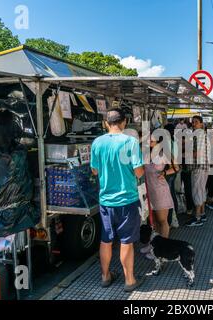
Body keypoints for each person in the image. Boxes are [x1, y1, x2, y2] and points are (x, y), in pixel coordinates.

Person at [90, 108, 145, 292]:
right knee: (126, 241)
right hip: (127, 200)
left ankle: (105, 277)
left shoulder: (97, 142)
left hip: (105, 201)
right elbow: (139, 172)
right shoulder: (131, 141)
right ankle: (129, 280)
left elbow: (94, 171)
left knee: (106, 240)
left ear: (106, 123)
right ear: (124, 122)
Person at [144, 135, 178, 241]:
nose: (148, 141)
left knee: (162, 220)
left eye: (151, 139)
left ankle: (163, 248)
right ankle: (155, 246)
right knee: (154, 221)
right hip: (149, 191)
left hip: (160, 190)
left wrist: (164, 172)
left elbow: (176, 168)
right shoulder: (146, 153)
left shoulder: (164, 154)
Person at [185, 116, 210, 227]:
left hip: (198, 167)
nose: (193, 124)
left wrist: (184, 154)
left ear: (201, 124)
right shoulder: (202, 135)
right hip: (203, 167)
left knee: (197, 192)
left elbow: (197, 153)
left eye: (196, 122)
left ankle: (197, 217)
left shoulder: (198, 135)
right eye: (192, 122)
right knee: (201, 190)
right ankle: (202, 214)